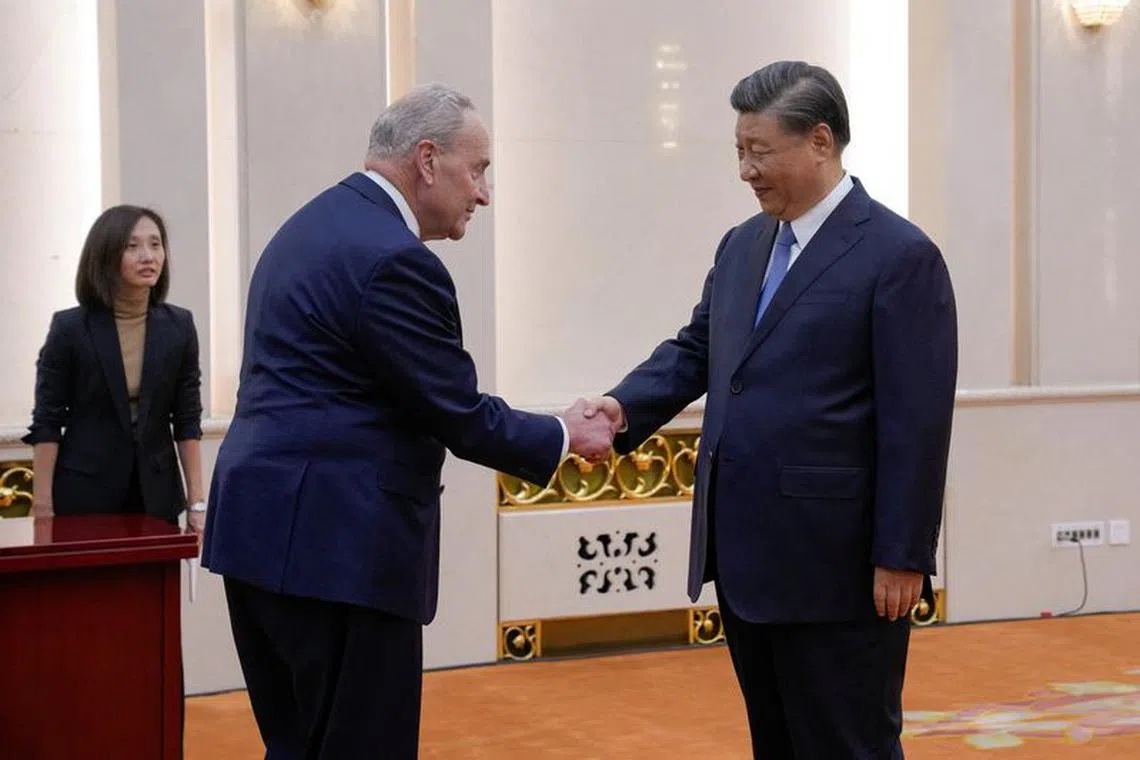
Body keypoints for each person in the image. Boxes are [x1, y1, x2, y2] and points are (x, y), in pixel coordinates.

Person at [202, 84, 613, 759]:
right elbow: (456, 410)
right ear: (427, 160)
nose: (484, 195)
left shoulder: (309, 225)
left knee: (297, 743)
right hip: (339, 554)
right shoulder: (395, 259)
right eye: (477, 170)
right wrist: (567, 432)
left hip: (259, 540)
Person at [584, 61, 958, 758]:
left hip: (841, 568)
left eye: (760, 152)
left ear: (820, 141)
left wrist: (903, 554)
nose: (746, 171)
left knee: (849, 745)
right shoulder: (742, 244)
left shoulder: (900, 256)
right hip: (748, 557)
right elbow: (699, 351)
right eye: (738, 152)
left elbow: (918, 421)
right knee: (777, 742)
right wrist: (620, 409)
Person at [25, 204, 206, 530]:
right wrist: (42, 508)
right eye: (132, 246)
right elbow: (47, 422)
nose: (148, 256)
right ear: (106, 254)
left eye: (155, 244)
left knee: (157, 582)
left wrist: (197, 502)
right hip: (84, 496)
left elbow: (187, 419)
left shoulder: (179, 325)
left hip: (157, 496)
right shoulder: (70, 328)